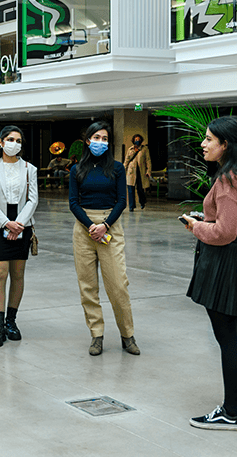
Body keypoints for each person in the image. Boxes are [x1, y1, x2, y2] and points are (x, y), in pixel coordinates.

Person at [181, 116, 237, 431]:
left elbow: (224, 231)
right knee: (236, 332)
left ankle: (230, 412)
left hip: (223, 260)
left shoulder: (230, 179)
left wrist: (196, 226)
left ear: (225, 145)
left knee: (227, 337)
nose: (203, 144)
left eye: (209, 139)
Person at [69, 121, 139, 357]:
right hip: (84, 228)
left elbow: (122, 200)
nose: (101, 142)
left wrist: (105, 225)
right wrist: (91, 226)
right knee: (88, 286)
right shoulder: (77, 169)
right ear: (87, 140)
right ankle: (96, 335)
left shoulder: (117, 168)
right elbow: (73, 202)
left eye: (105, 138)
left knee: (118, 284)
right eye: (96, 137)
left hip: (110, 225)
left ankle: (127, 335)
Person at [0, 126, 38, 348]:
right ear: (1, 142)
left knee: (18, 273)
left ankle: (11, 321)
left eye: (18, 140)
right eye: (10, 139)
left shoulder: (28, 168)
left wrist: (19, 224)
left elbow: (33, 199)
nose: (15, 143)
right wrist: (6, 223)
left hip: (23, 223)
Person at [124, 134, 152, 211]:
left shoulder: (145, 149)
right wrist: (123, 170)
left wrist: (148, 171)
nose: (137, 141)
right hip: (131, 172)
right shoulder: (130, 149)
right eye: (135, 139)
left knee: (140, 189)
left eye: (138, 139)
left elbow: (148, 160)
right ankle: (131, 206)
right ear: (133, 141)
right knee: (130, 189)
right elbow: (126, 161)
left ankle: (142, 202)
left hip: (140, 172)